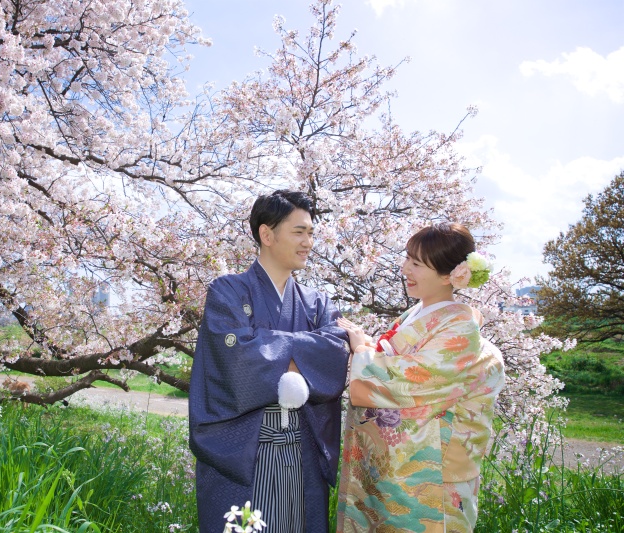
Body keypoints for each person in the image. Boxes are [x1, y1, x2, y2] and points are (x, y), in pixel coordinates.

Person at [189, 190, 351, 533]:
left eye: (311, 233)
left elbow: (335, 351)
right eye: (298, 232)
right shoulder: (228, 291)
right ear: (267, 234)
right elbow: (236, 358)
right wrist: (305, 356)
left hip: (301, 447)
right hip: (243, 451)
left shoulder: (317, 302)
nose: (308, 242)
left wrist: (267, 346)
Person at [336, 222, 505, 533]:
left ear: (451, 275)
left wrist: (362, 351)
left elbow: (412, 379)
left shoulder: (458, 327)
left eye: (416, 264)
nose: (405, 270)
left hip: (432, 475)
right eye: (407, 259)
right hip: (396, 466)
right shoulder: (416, 314)